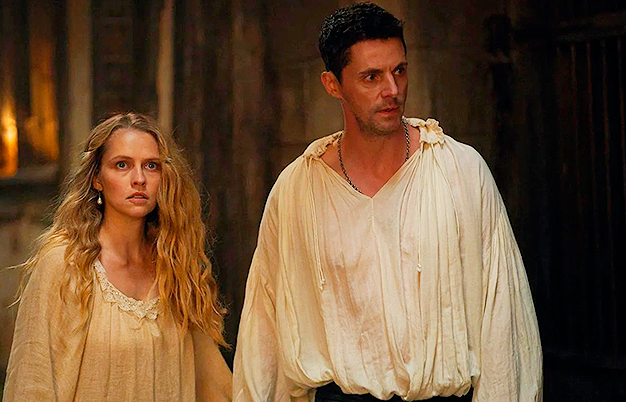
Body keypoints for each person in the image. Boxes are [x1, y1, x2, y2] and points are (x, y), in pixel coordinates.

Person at [232, 3, 542, 401]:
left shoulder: (460, 172)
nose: (392, 90)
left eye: (400, 70)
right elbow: (265, 324)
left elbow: (504, 316)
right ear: (332, 84)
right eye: (371, 77)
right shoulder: (297, 189)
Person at [3, 113, 232, 401]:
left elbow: (214, 382)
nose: (139, 179)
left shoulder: (174, 264)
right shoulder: (65, 264)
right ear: (97, 179)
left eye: (151, 166)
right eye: (122, 165)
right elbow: (32, 380)